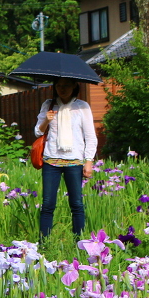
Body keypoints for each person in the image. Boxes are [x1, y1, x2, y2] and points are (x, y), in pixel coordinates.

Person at [35, 77, 97, 238]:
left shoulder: (81, 106)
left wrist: (89, 161)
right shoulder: (48, 105)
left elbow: (90, 136)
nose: (62, 89)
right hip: (51, 160)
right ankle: (44, 243)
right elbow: (38, 132)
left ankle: (79, 243)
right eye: (59, 85)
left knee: (76, 204)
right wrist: (46, 121)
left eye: (67, 86)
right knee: (47, 205)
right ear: (55, 86)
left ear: (74, 86)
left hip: (74, 161)